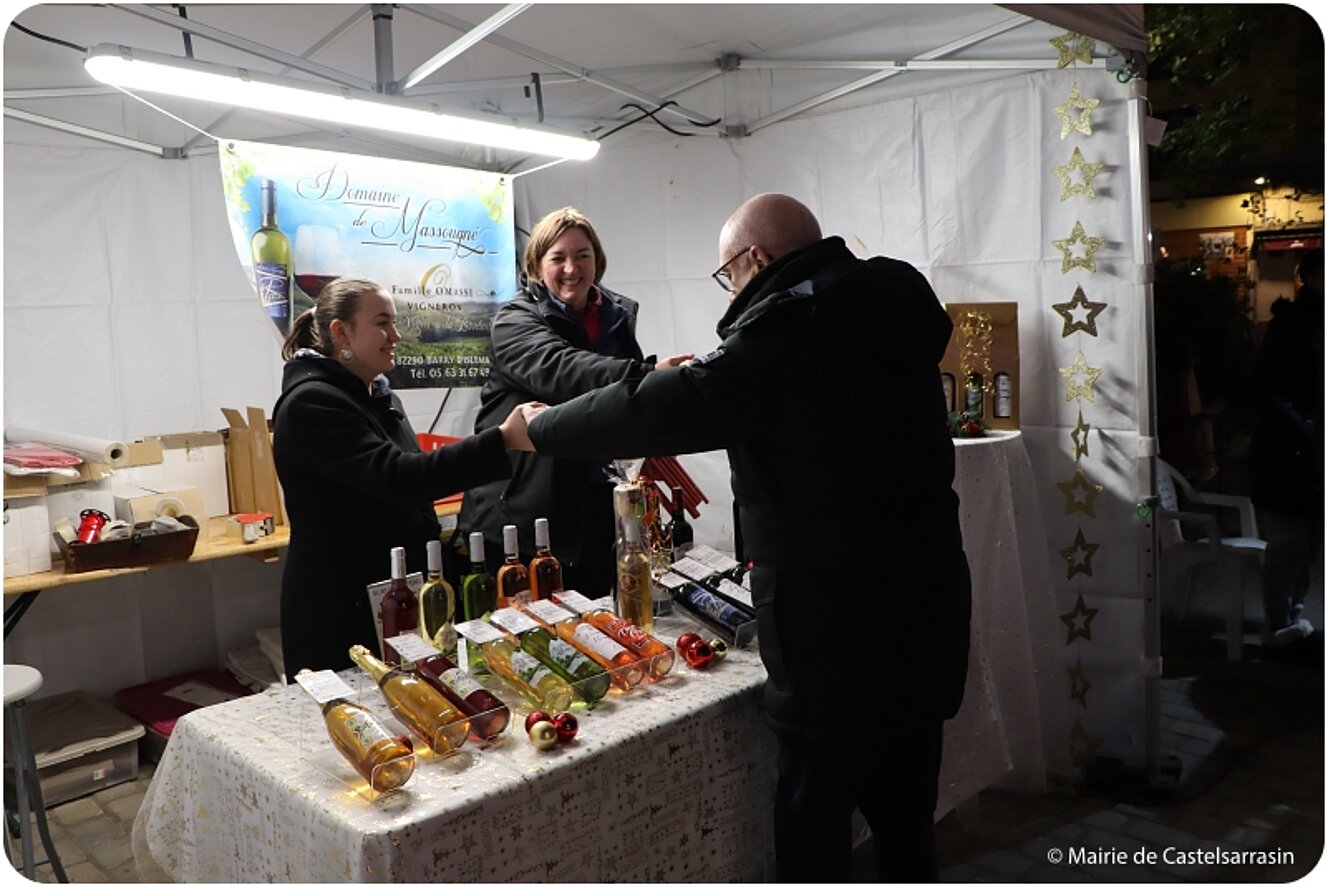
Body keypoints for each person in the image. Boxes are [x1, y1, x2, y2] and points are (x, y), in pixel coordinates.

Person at [518, 193, 972, 881]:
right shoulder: (887, 304)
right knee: (907, 825)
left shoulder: (788, 333)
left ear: (755, 259)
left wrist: (539, 428)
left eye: (727, 274)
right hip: (924, 611)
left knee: (815, 835)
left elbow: (657, 408)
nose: (730, 291)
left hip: (833, 636)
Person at [272, 277, 537, 681]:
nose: (396, 335)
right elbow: (401, 477)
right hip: (342, 610)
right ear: (341, 332)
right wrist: (501, 440)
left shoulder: (378, 397)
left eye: (394, 323)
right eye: (382, 324)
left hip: (391, 595)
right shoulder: (312, 404)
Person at [458, 207, 691, 596]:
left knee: (597, 617)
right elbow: (562, 370)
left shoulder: (616, 317)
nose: (572, 268)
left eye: (583, 255)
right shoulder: (514, 319)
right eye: (558, 258)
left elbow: (622, 403)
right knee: (527, 624)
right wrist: (647, 374)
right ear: (537, 265)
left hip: (597, 504)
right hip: (523, 511)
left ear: (597, 260)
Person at [1250, 248, 1323, 648]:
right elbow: (1266, 387)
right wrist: (1302, 425)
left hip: (1311, 452)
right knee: (1290, 543)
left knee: (1310, 546)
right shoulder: (1292, 323)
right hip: (1288, 453)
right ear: (1310, 278)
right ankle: (1278, 624)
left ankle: (1292, 618)